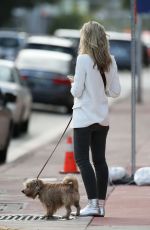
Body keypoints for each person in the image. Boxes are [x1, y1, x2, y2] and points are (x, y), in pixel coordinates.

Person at [69, 21, 121, 217]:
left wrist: (73, 84)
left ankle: (91, 204)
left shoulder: (83, 59)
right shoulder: (111, 60)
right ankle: (100, 205)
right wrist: (101, 88)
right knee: (100, 161)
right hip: (102, 118)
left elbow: (77, 90)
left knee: (82, 159)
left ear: (86, 38)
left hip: (84, 118)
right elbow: (115, 91)